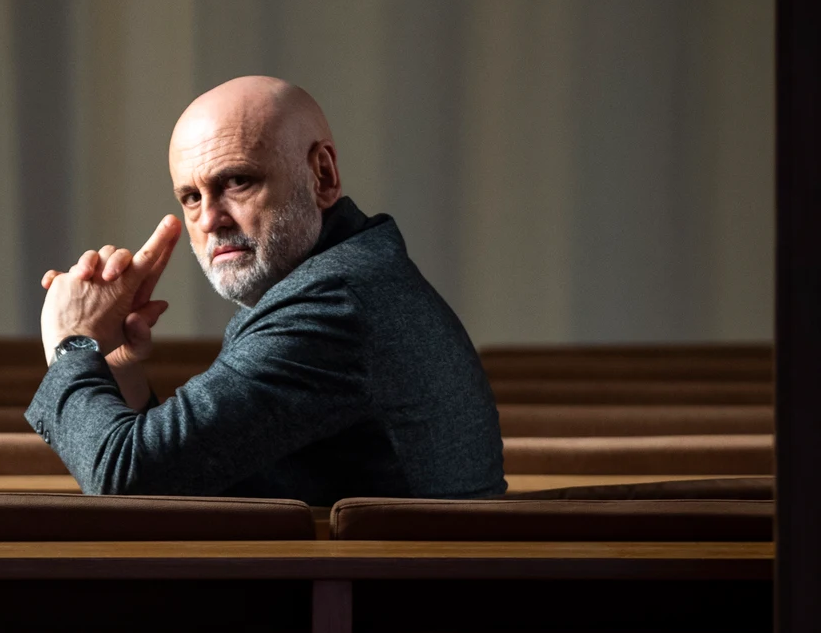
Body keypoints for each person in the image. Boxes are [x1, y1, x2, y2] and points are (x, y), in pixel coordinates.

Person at [29, 75, 505, 503]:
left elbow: (128, 481)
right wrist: (115, 366)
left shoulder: (333, 305)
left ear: (322, 176)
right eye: (191, 197)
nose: (210, 220)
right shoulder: (344, 279)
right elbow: (200, 475)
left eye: (238, 181)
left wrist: (71, 343)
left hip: (391, 576)